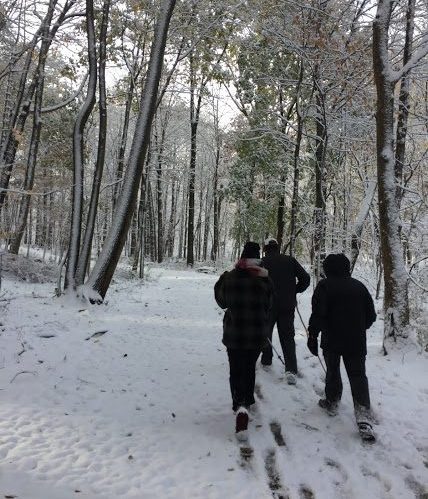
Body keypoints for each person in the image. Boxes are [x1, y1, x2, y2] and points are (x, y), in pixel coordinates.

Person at [307, 253, 377, 440]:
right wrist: (358, 327)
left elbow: (318, 314)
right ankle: (363, 416)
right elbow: (371, 316)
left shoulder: (325, 286)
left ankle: (332, 401)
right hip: (356, 340)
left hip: (332, 339)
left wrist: (312, 335)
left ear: (328, 268)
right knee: (358, 376)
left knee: (333, 370)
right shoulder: (359, 286)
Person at [214, 241, 274, 434]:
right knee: (249, 368)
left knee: (235, 368)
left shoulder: (230, 278)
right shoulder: (265, 280)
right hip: (256, 333)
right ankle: (247, 401)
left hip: (234, 333)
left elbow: (221, 301)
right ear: (258, 258)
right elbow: (270, 305)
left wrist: (222, 279)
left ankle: (238, 404)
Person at [260, 238, 310, 385]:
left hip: (268, 306)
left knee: (265, 332)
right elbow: (306, 278)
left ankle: (266, 359)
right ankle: (291, 369)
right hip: (287, 305)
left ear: (266, 249)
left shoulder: (262, 263)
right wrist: (295, 290)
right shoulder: (290, 260)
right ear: (277, 248)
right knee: (287, 337)